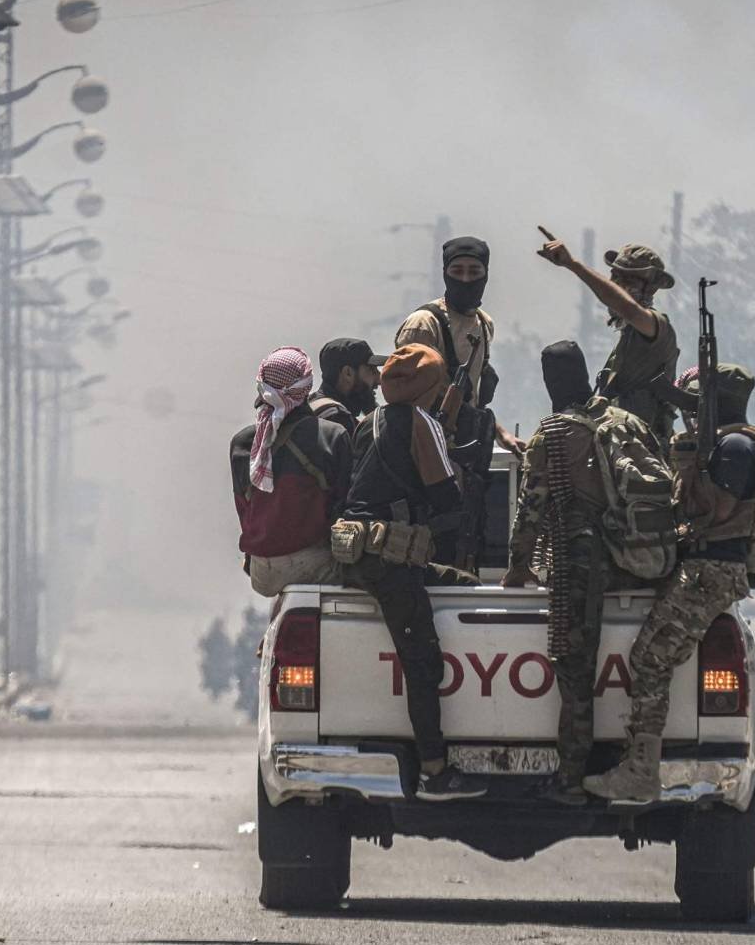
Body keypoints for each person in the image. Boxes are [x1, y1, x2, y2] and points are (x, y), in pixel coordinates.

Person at [584, 365, 755, 804]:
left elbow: (712, 511)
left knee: (649, 658)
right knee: (653, 655)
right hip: (710, 570)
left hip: (710, 571)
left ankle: (640, 771)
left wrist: (693, 470)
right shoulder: (741, 443)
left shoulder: (733, 448)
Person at [503, 340, 666, 804]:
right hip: (636, 563)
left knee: (575, 671)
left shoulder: (554, 433)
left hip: (580, 563)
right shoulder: (626, 423)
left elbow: (531, 510)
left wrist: (518, 568)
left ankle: (571, 778)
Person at [333, 344, 489, 801]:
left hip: (363, 555)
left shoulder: (370, 421)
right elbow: (446, 500)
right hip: (391, 560)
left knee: (464, 588)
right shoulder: (421, 423)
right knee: (423, 663)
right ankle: (435, 771)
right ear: (430, 387)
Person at [536, 228, 682, 445]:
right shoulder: (627, 338)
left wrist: (573, 265)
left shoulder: (658, 328)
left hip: (646, 458)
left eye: (629, 280)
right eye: (615, 277)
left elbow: (628, 309)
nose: (617, 285)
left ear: (650, 288)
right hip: (619, 450)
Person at [229, 347, 352, 597]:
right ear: (306, 385)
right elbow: (344, 506)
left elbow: (244, 510)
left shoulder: (242, 442)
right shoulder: (331, 435)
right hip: (313, 565)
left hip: (262, 571)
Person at [395, 235, 525, 454]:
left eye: (474, 272)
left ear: (486, 275)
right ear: (445, 273)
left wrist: (500, 433)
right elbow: (407, 396)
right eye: (457, 271)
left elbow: (469, 400)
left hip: (462, 445)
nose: (465, 279)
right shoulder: (425, 324)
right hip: (423, 448)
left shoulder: (483, 323)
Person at [309, 337, 386, 435]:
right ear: (348, 373)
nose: (379, 380)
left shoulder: (311, 405)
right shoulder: (338, 420)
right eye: (372, 370)